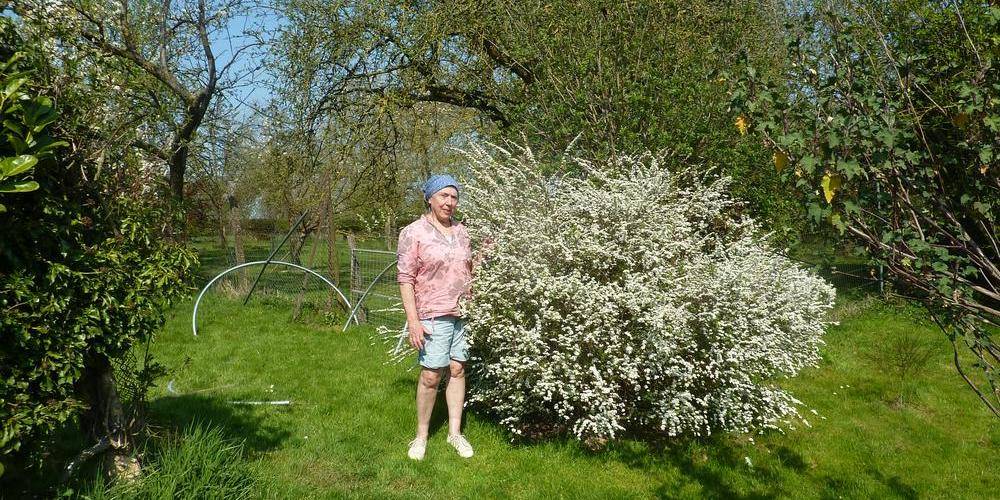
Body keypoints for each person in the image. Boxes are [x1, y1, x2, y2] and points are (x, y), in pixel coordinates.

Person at [397, 174, 474, 460]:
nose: (449, 202)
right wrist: (413, 321)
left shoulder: (462, 232)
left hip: (462, 312)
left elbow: (469, 269)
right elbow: (405, 278)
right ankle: (421, 437)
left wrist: (485, 254)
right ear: (430, 198)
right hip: (432, 313)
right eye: (444, 196)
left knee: (457, 369)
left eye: (454, 197)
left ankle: (455, 433)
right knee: (431, 375)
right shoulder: (413, 232)